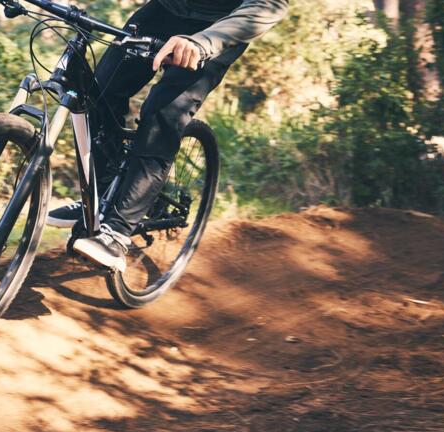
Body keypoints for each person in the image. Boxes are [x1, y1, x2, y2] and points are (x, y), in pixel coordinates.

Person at [46, 0, 289, 272]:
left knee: (163, 115)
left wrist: (203, 43)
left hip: (216, 27)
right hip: (163, 11)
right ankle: (98, 196)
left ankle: (117, 231)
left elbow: (269, 5)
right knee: (97, 95)